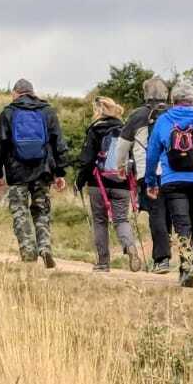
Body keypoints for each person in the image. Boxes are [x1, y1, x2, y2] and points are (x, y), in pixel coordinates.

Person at [143, 82, 193, 289]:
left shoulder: (163, 121)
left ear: (173, 100)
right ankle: (191, 264)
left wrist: (150, 181)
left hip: (173, 181)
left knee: (181, 225)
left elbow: (152, 154)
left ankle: (187, 267)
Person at [0, 78, 68, 268]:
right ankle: (45, 247)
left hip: (17, 174)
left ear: (15, 93)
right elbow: (59, 144)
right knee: (41, 210)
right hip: (43, 172)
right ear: (33, 92)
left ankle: (28, 252)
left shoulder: (8, 113)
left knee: (20, 212)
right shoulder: (47, 111)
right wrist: (59, 172)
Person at [75, 95, 141, 273]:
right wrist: (135, 181)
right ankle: (129, 246)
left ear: (98, 111)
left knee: (100, 221)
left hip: (98, 183)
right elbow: (133, 157)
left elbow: (87, 160)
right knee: (121, 219)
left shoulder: (95, 129)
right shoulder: (126, 129)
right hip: (122, 183)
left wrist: (79, 181)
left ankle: (103, 263)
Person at [120, 78, 173, 274]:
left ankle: (162, 259)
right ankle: (185, 255)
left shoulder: (138, 115)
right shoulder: (174, 113)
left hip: (147, 171)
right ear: (166, 94)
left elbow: (123, 145)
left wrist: (121, 166)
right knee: (172, 212)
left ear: (145, 94)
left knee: (156, 212)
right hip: (173, 170)